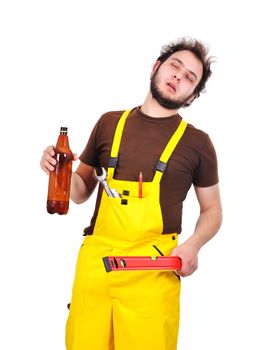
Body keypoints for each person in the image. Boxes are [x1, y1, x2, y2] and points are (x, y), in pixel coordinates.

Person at [40, 37, 222, 350]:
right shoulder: (109, 123)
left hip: (152, 273)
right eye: (174, 66)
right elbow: (81, 192)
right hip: (96, 269)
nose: (179, 75)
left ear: (192, 96)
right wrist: (61, 172)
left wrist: (193, 246)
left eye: (190, 77)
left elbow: (213, 210)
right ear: (156, 68)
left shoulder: (198, 143)